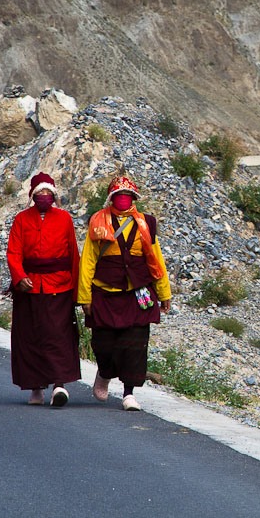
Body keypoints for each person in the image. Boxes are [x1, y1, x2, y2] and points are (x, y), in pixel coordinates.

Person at [77, 175, 172, 411]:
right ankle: (104, 372)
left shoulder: (146, 223)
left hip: (137, 294)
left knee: (135, 345)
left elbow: (155, 260)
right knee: (104, 344)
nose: (123, 200)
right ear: (111, 198)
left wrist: (164, 293)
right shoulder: (98, 222)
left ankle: (129, 393)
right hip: (105, 293)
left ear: (133, 199)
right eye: (119, 196)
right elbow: (88, 260)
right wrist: (84, 297)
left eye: (127, 196)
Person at [6, 172, 82, 407]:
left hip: (59, 286)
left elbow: (73, 255)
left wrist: (79, 292)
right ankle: (36, 389)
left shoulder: (64, 219)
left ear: (54, 195)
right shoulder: (21, 219)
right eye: (40, 193)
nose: (44, 197)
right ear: (32, 195)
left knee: (58, 335)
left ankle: (59, 384)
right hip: (29, 288)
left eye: (48, 193)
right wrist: (20, 278)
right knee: (30, 336)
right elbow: (14, 253)